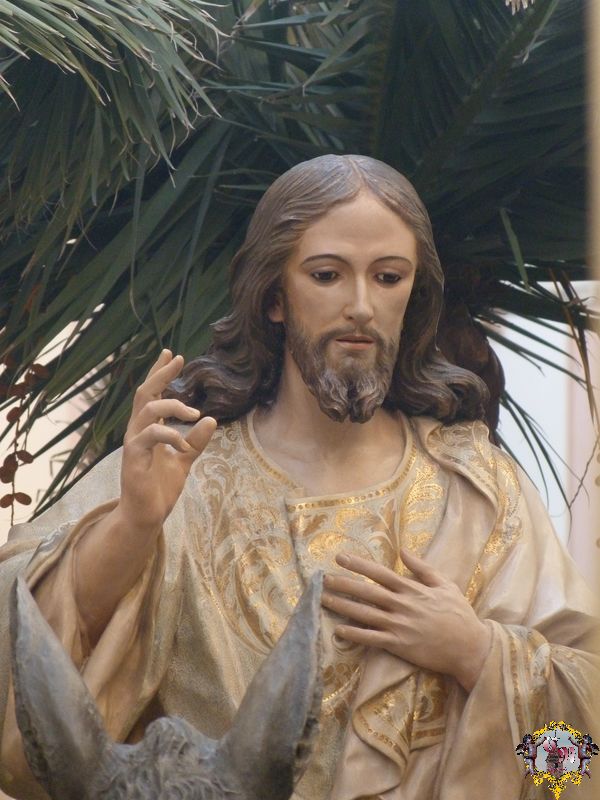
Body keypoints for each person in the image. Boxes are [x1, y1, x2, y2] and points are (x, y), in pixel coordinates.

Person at [0, 155, 597, 800]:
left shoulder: (481, 492)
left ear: (413, 294)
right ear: (274, 297)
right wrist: (133, 526)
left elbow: (577, 770)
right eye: (327, 275)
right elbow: (20, 686)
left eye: (388, 277)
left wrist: (478, 656)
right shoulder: (183, 473)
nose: (361, 306)